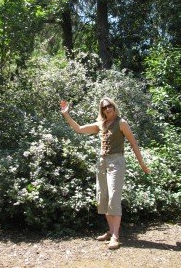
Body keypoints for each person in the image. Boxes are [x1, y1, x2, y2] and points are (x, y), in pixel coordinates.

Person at [60, 97, 150, 249]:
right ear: (102, 110)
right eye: (104, 107)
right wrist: (66, 114)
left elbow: (134, 143)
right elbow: (79, 129)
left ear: (114, 107)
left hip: (116, 162)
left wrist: (142, 164)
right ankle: (110, 231)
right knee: (104, 197)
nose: (107, 109)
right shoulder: (100, 124)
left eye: (109, 106)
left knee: (114, 197)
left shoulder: (122, 123)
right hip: (102, 163)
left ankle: (115, 236)